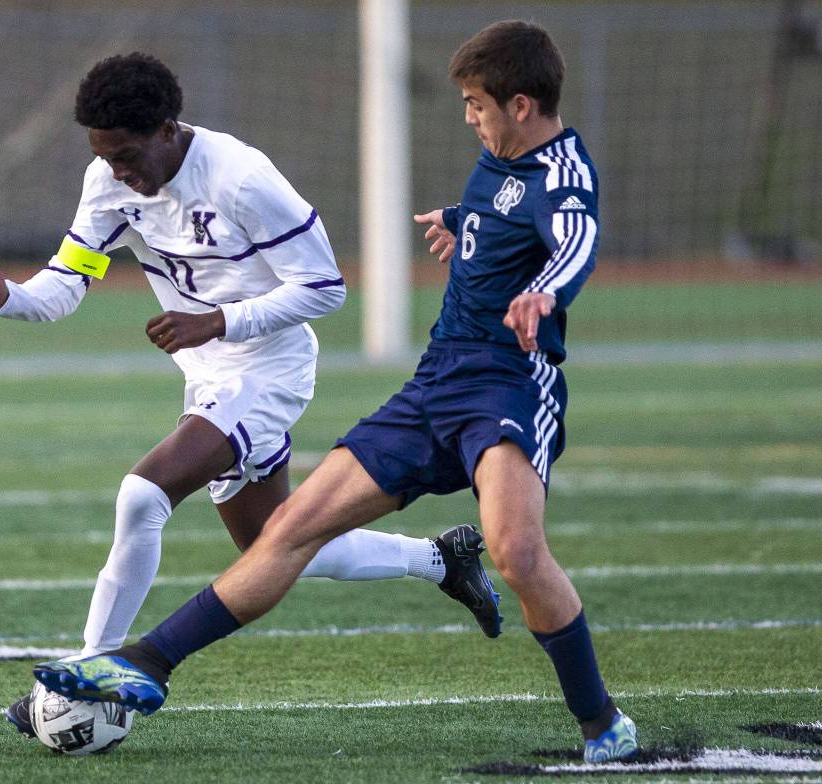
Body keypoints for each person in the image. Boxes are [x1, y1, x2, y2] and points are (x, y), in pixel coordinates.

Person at [34, 22, 640, 764]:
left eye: (476, 104)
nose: (468, 117)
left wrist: (545, 290)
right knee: (286, 533)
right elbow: (506, 210)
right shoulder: (499, 158)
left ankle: (601, 721)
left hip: (507, 386)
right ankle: (147, 663)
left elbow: (576, 235)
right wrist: (463, 221)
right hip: (433, 385)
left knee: (517, 552)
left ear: (520, 103)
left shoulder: (564, 173)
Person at [0, 53, 503, 739]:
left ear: (166, 129)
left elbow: (325, 288)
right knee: (274, 543)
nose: (118, 172)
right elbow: (69, 282)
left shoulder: (242, 178)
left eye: (127, 155)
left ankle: (94, 678)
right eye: (105, 157)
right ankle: (440, 559)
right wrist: (11, 300)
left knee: (142, 495)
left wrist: (220, 320)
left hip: (270, 368)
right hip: (211, 378)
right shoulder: (108, 182)